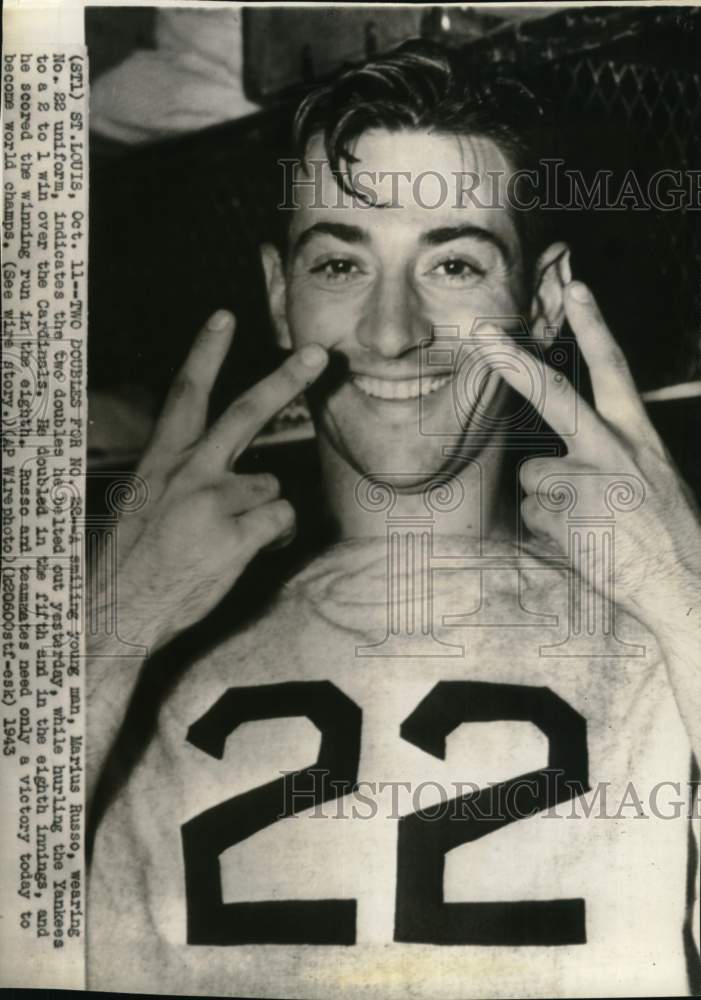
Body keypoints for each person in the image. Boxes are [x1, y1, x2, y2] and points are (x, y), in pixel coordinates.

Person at [87, 42, 700, 998]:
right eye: (339, 262)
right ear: (279, 295)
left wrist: (683, 595)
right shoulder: (135, 622)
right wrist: (108, 634)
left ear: (540, 300)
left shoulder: (663, 627)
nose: (388, 332)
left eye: (452, 263)